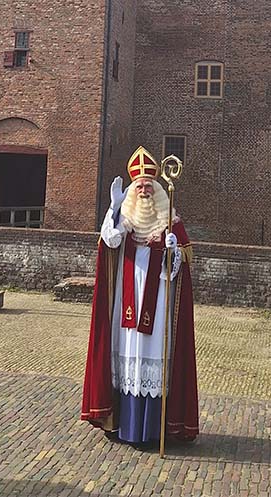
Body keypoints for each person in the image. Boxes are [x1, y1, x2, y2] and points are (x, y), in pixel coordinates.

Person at [81, 146, 199, 447]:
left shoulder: (171, 219)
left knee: (154, 355)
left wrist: (173, 250)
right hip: (125, 300)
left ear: (158, 188)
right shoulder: (124, 217)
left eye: (149, 184)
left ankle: (154, 428)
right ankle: (123, 422)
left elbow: (184, 262)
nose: (144, 189)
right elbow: (109, 241)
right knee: (126, 356)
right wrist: (113, 209)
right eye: (139, 185)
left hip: (158, 303)